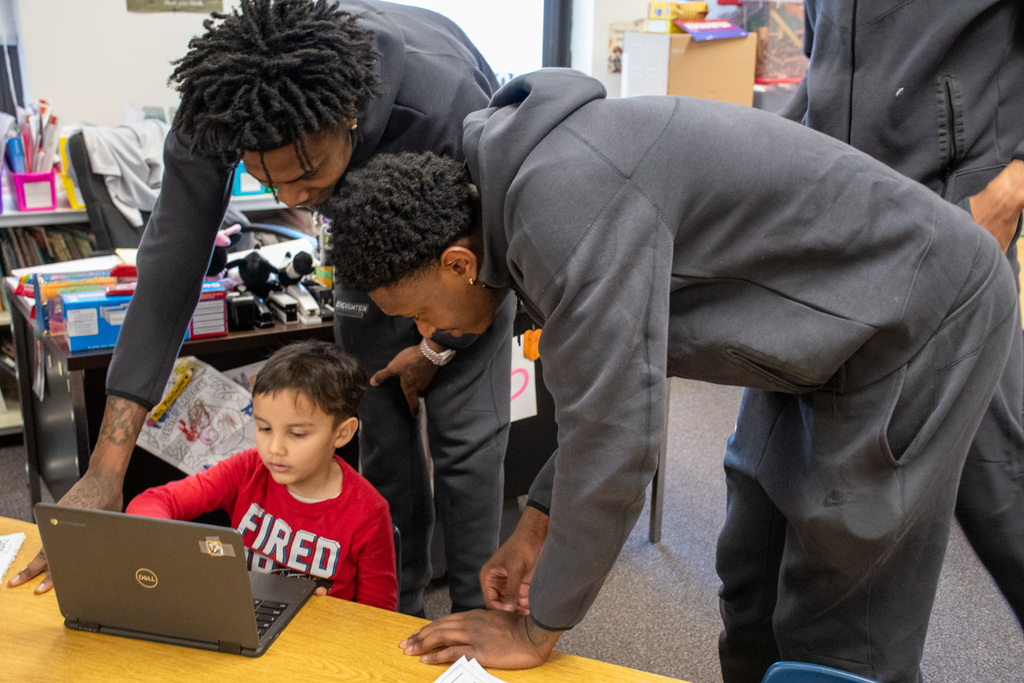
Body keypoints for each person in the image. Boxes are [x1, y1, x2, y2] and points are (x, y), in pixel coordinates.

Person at [321, 69, 1019, 682]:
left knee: (841, 615)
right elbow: (606, 396)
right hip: (816, 333)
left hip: (920, 314)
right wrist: (539, 518)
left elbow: (618, 439)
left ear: (456, 264)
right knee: (751, 581)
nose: (424, 333)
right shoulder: (511, 196)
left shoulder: (560, 203)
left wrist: (536, 629)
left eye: (417, 313)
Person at [8, 0, 514, 618]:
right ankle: (393, 622)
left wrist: (437, 348)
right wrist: (107, 469)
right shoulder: (222, 108)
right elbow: (170, 266)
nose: (293, 198)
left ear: (350, 117)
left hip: (463, 246)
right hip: (363, 239)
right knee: (378, 421)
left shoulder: (444, 101)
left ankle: (475, 627)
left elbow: (493, 251)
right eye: (268, 182)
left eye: (306, 173)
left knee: (466, 438)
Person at [775, 0, 1024, 632]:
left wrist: (1008, 187)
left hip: (948, 238)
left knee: (1006, 503)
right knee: (761, 535)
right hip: (830, 245)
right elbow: (825, 65)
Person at [126, 341, 397, 610]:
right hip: (244, 620)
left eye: (297, 434)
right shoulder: (247, 469)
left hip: (320, 642)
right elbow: (152, 502)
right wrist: (171, 547)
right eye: (264, 428)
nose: (275, 448)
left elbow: (380, 617)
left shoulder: (369, 513)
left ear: (342, 433)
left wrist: (331, 616)